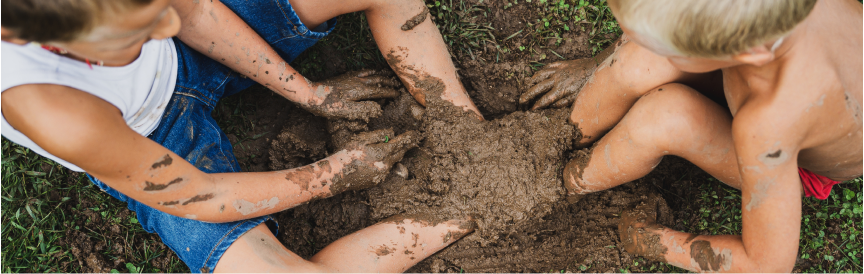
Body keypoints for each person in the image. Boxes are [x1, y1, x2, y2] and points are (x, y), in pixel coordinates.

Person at [0, 0, 481, 273]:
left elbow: (193, 17)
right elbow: (198, 195)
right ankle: (460, 216)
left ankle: (465, 128)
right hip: (152, 141)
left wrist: (310, 94)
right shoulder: (50, 106)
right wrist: (333, 175)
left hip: (196, 54)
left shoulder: (159, 20)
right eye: (139, 29)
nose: (167, 21)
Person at [521, 0, 862, 272]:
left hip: (795, 160)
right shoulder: (754, 22)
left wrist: (652, 240)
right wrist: (602, 62)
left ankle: (561, 184)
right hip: (757, 76)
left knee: (664, 117)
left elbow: (766, 265)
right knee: (638, 64)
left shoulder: (768, 127)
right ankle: (563, 137)